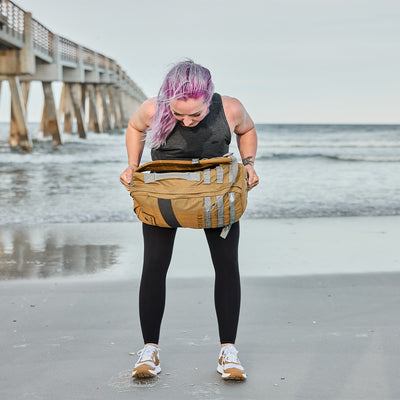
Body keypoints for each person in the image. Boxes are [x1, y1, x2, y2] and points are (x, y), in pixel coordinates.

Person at [120, 60, 259, 381]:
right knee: (154, 265)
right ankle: (149, 350)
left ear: (208, 98)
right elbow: (135, 128)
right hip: (164, 195)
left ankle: (228, 351)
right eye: (178, 114)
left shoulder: (231, 108)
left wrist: (249, 163)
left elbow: (247, 130)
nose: (186, 120)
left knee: (226, 266)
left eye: (195, 114)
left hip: (216, 195)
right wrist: (132, 165)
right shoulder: (153, 109)